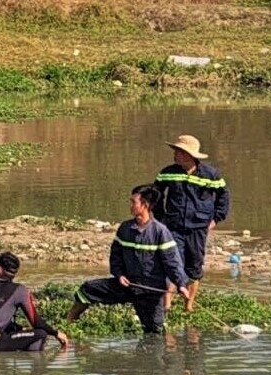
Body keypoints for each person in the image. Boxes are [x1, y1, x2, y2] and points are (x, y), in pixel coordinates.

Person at [67, 184, 190, 334]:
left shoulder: (160, 231)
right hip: (127, 285)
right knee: (87, 289)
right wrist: (119, 275)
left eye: (133, 202)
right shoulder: (125, 228)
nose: (130, 205)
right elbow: (116, 256)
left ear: (145, 205)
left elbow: (172, 262)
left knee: (154, 333)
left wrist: (181, 284)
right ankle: (70, 322)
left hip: (149, 290)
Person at [153, 134, 230, 312]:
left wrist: (216, 218)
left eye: (179, 151)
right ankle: (167, 305)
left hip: (198, 227)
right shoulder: (167, 173)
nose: (175, 154)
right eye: (176, 151)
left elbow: (223, 196)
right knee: (172, 262)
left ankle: (189, 305)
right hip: (173, 226)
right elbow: (155, 194)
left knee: (194, 266)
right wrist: (160, 218)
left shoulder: (211, 175)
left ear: (189, 155)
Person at [0, 251, 69, 352]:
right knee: (41, 334)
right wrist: (56, 333)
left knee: (11, 331)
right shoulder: (19, 291)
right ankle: (36, 362)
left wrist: (19, 328)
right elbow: (37, 323)